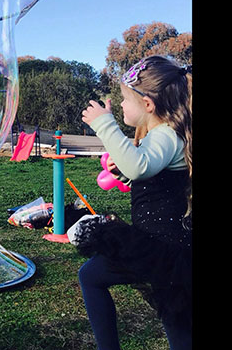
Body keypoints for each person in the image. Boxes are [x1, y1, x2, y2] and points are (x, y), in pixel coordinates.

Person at [75, 55, 192, 350]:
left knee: (176, 320)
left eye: (126, 99)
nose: (122, 105)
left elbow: (140, 166)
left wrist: (105, 124)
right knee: (176, 319)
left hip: (165, 249)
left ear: (148, 104)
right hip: (160, 245)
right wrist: (124, 175)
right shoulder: (162, 134)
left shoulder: (165, 134)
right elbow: (149, 178)